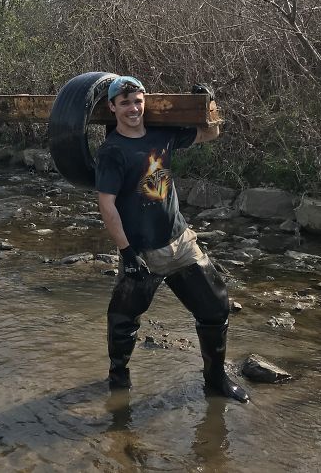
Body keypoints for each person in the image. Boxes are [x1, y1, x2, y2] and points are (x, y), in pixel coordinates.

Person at [95, 75, 249, 402]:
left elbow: (211, 132)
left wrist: (209, 103)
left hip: (180, 242)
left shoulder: (163, 134)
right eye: (125, 103)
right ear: (112, 107)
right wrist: (126, 253)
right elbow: (106, 205)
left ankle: (215, 380)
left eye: (137, 100)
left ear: (145, 101)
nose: (133, 108)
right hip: (142, 252)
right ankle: (118, 379)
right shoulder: (112, 151)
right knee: (123, 320)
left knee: (215, 306)